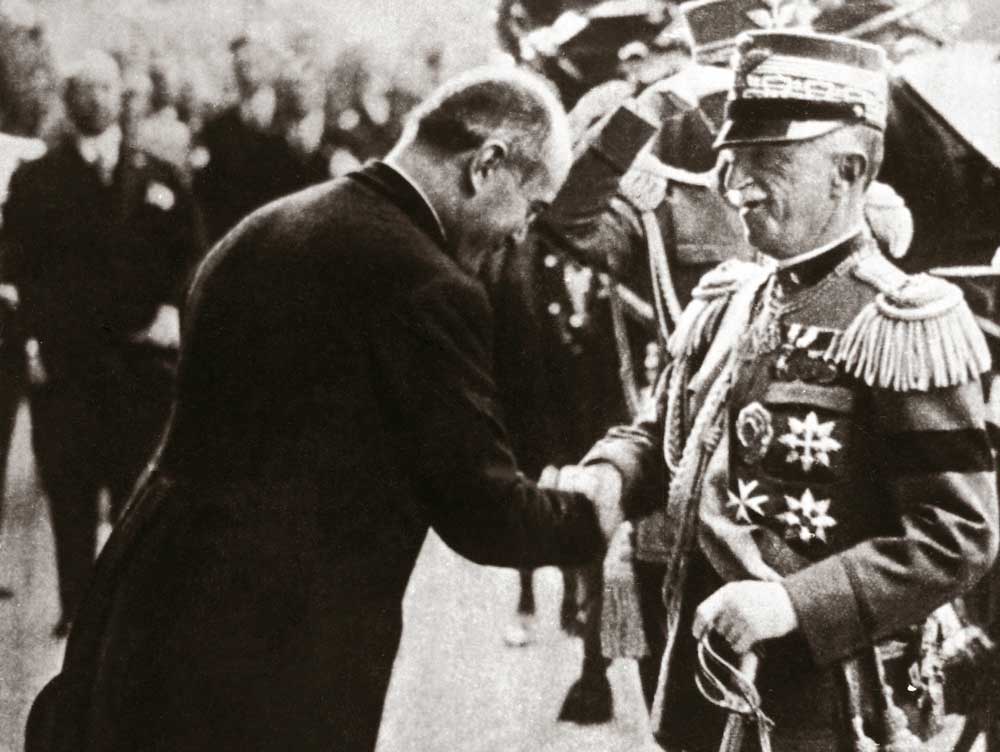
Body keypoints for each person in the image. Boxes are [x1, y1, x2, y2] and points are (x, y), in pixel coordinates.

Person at [25, 67, 630, 752]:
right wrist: (606, 494)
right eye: (531, 206)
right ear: (486, 165)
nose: (521, 235)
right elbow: (484, 513)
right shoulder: (426, 284)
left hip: (145, 614)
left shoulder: (265, 227)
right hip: (275, 657)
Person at [550, 30, 999, 750]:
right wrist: (611, 473)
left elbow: (957, 536)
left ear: (849, 170)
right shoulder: (729, 300)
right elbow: (668, 435)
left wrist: (793, 603)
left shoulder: (904, 323)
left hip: (831, 703)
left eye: (770, 164)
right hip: (702, 683)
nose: (739, 187)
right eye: (735, 162)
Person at [3, 49, 204, 638]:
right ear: (68, 101)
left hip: (141, 366)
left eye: (105, 88)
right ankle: (78, 608)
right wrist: (34, 340)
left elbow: (192, 252)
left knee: (137, 492)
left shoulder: (159, 176)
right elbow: (14, 264)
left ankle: (129, 612)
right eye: (83, 89)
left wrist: (171, 309)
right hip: (69, 365)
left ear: (122, 97)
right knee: (69, 487)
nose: (94, 99)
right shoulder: (38, 180)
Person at [193, 32, 283, 244]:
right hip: (238, 238)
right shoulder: (216, 127)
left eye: (255, 61)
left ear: (271, 63)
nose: (247, 71)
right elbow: (207, 191)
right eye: (241, 65)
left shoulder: (290, 118)